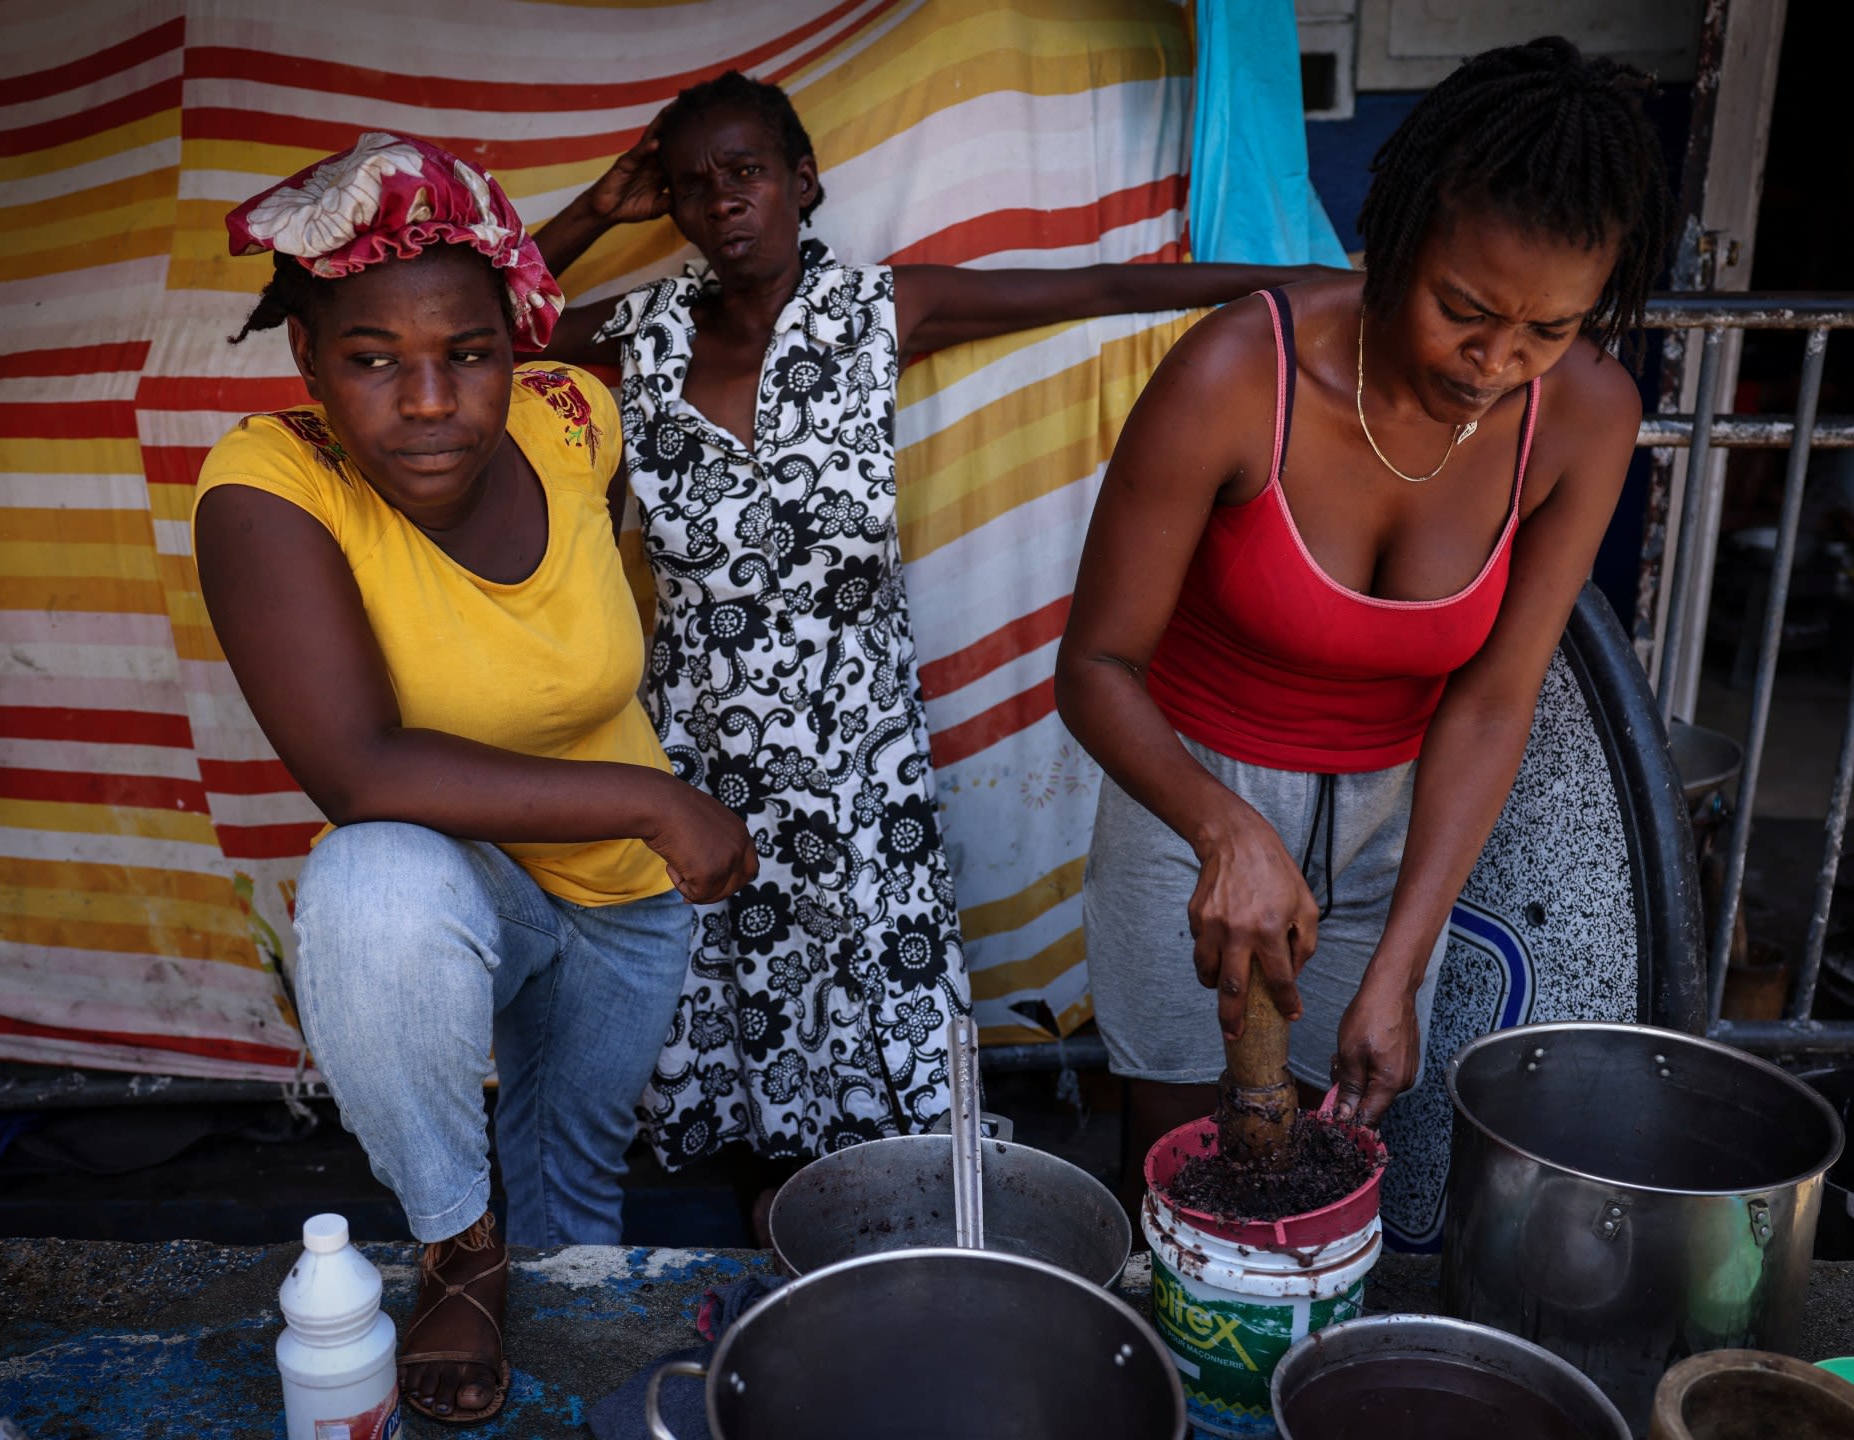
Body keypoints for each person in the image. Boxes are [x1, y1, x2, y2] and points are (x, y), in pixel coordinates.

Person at [532, 71, 1319, 1185]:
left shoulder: (879, 311)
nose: (724, 203)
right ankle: (768, 1197)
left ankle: (866, 1202)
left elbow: (1102, 287)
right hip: (699, 749)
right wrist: (596, 212)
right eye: (693, 185)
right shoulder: (643, 337)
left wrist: (1316, 289)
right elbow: (477, 329)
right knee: (729, 991)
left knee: (876, 1005)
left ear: (803, 183)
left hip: (862, 754)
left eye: (748, 172)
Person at [193, 132, 757, 1424]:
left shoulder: (572, 420)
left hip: (626, 902)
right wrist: (654, 798)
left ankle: (575, 1346)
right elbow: (358, 767)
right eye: (370, 362)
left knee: (579, 1204)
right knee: (371, 882)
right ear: (308, 364)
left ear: (516, 351)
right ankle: (458, 1244)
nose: (430, 400)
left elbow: (469, 318)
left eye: (470, 357)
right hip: (482, 883)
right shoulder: (271, 482)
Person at [1053, 36, 1671, 1213]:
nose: (1496, 364)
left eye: (1547, 331)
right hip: (1184, 793)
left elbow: (1494, 702)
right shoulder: (1238, 373)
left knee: (1331, 1168)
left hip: (1400, 821)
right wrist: (1223, 830)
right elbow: (1095, 666)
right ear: (1397, 233)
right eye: (1463, 310)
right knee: (1184, 1153)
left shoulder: (1588, 417)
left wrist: (1404, 956)